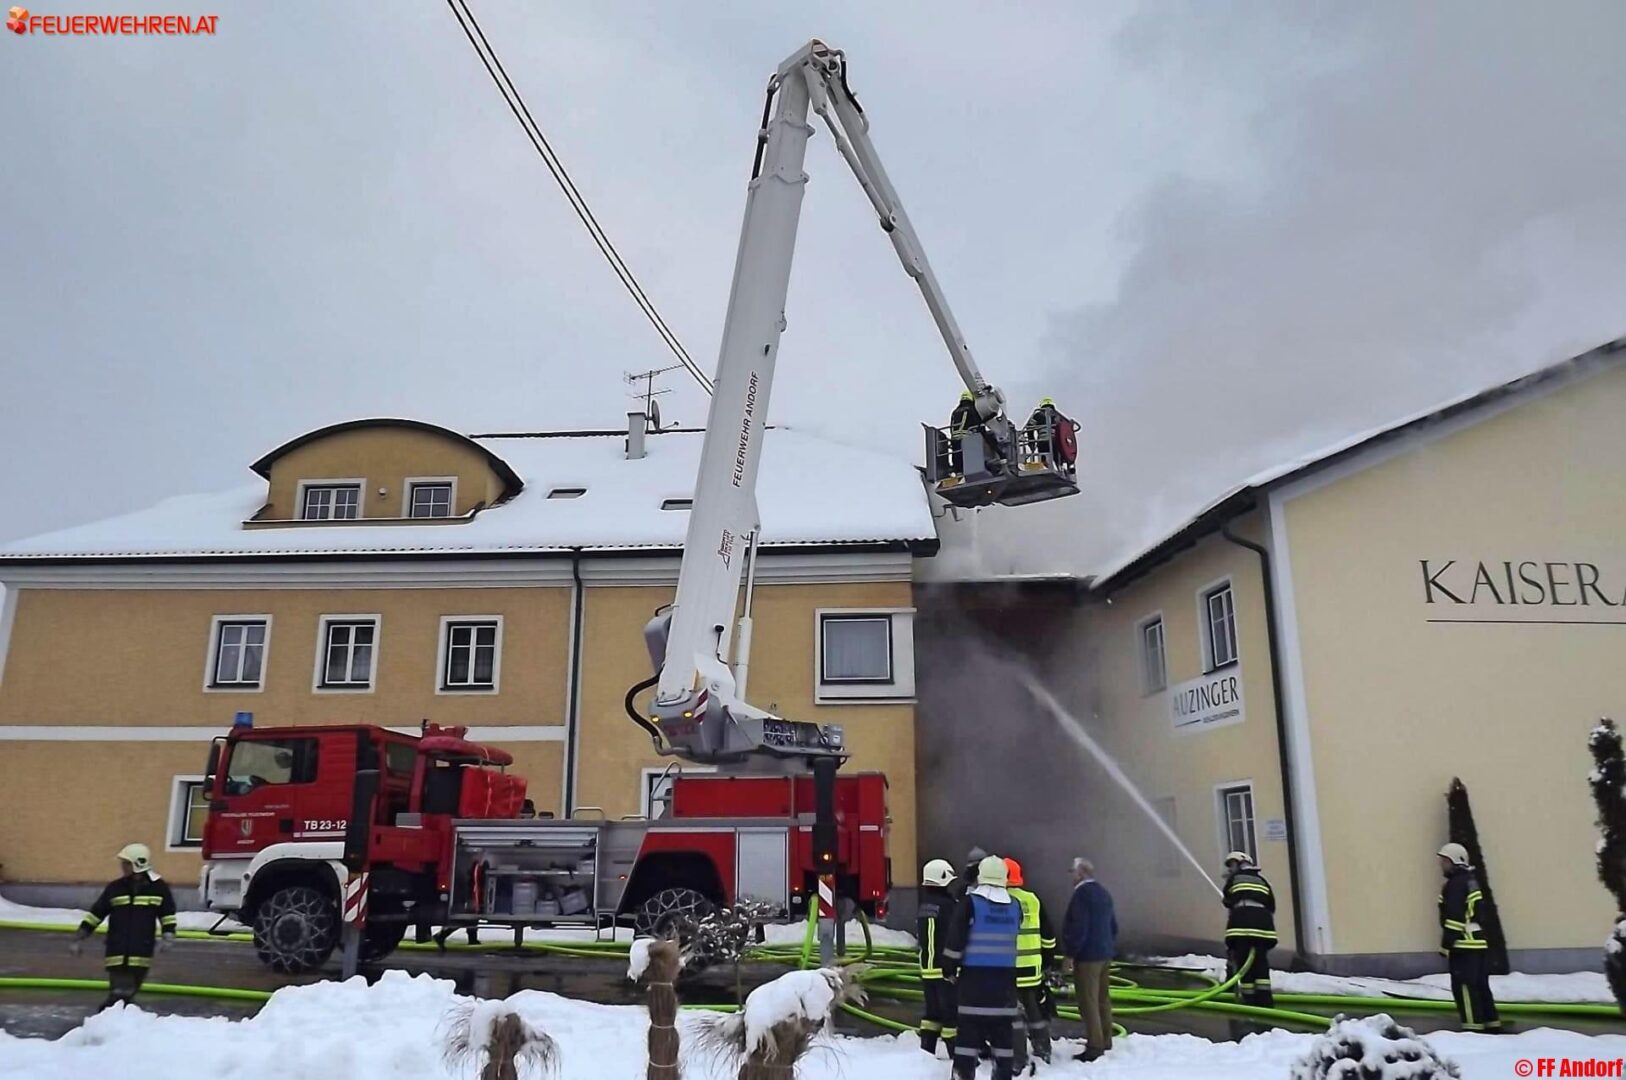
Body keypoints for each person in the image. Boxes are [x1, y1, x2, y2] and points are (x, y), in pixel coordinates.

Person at [942, 855, 1022, 1080]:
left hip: (974, 985)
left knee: (967, 1041)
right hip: (1005, 987)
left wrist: (948, 968)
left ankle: (963, 1076)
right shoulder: (1015, 906)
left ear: (980, 876)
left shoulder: (970, 904)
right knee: (1003, 1043)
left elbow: (955, 941)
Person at [71, 843, 176, 1012]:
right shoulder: (115, 888)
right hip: (117, 950)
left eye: (126, 863)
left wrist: (169, 934)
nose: (123, 867)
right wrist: (80, 935)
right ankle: (109, 1020)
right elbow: (97, 913)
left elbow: (167, 914)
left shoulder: (159, 888)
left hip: (141, 949)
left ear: (138, 864)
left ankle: (116, 1023)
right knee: (120, 993)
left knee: (129, 993)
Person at [1438, 842, 1501, 1032]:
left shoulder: (1456, 884)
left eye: (1444, 861)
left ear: (1454, 861)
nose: (1441, 865)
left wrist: (1446, 944)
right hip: (1478, 943)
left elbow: (1455, 917)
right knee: (1480, 986)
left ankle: (1472, 1029)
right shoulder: (1471, 881)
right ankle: (1491, 1024)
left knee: (1465, 988)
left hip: (1463, 944)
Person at [1061, 857, 1117, 1063]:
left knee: (1088, 1001)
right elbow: (1113, 926)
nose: (1071, 877)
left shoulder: (1081, 896)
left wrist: (1070, 954)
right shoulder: (1104, 893)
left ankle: (1094, 1046)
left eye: (1073, 873)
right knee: (1103, 999)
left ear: (1081, 873)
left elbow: (1078, 928)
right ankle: (1106, 1038)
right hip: (1104, 954)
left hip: (1087, 958)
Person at [1003, 857, 1056, 1072]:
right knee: (1034, 1010)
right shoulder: (1032, 900)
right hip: (1032, 967)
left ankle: (1018, 1059)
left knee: (1013, 1014)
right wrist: (1047, 961)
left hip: (1008, 967)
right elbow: (1048, 935)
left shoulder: (1000, 901)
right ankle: (1043, 1050)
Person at [1221, 851, 1277, 1009]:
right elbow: (1271, 905)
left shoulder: (1234, 879)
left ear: (1240, 863)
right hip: (1264, 928)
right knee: (1260, 964)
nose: (1231, 869)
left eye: (1232, 865)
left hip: (1242, 927)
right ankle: (1265, 1001)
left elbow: (1227, 900)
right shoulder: (1263, 880)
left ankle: (1249, 1003)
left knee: (1244, 965)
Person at [917, 858, 960, 1058]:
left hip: (927, 969)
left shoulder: (925, 905)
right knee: (951, 1016)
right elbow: (954, 937)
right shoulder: (949, 906)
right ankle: (957, 1056)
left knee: (932, 1014)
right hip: (945, 970)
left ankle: (926, 1053)